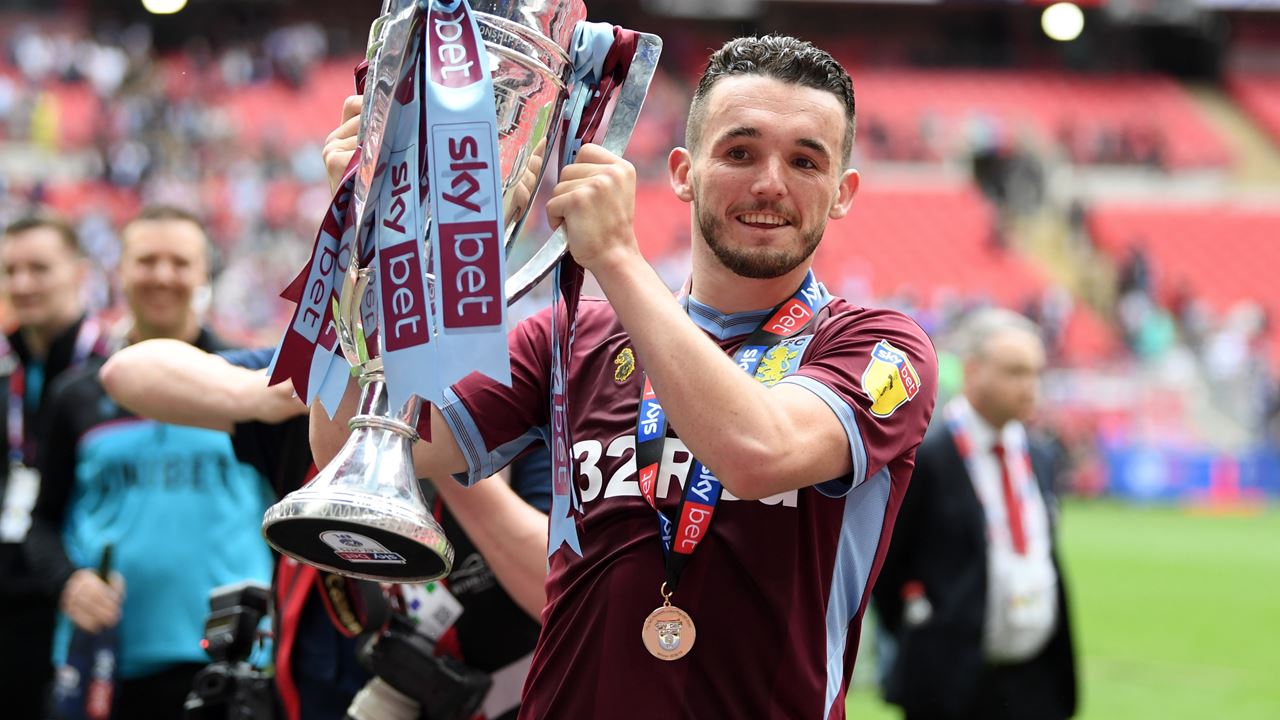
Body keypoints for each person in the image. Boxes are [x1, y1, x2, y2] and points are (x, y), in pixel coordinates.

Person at [314, 35, 938, 718]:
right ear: (683, 173)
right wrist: (367, 236)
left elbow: (757, 452)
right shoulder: (570, 336)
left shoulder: (880, 347)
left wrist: (614, 256)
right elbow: (349, 442)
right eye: (739, 152)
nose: (770, 183)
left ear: (843, 192)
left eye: (805, 161)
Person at [100, 339, 552, 720]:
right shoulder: (338, 361)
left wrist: (441, 438)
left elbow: (553, 589)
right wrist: (285, 390)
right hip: (311, 697)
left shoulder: (511, 383)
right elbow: (126, 374)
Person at [26, 206, 276, 719]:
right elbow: (42, 524)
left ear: (205, 273)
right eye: (146, 260)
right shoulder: (76, 394)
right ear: (119, 270)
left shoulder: (255, 385)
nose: (163, 275)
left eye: (180, 262)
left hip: (236, 664)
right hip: (105, 664)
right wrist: (68, 582)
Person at [873, 308, 1077, 720]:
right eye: (1016, 372)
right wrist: (925, 632)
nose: (1030, 386)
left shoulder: (1040, 456)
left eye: (1036, 373)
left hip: (1032, 680)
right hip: (950, 683)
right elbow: (887, 567)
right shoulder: (928, 458)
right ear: (973, 371)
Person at [0, 215, 107, 720]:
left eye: (39, 268)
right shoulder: (7, 367)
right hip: (11, 596)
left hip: (84, 590)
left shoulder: (115, 367)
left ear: (79, 273)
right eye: (10, 270)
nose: (22, 284)